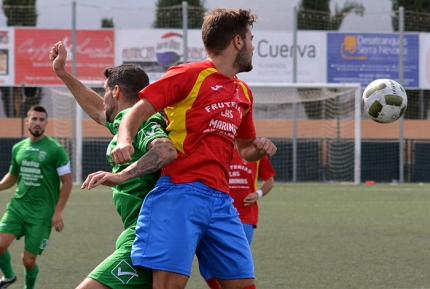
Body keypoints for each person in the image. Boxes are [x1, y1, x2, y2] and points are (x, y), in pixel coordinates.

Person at [87, 8, 278, 289]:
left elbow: (246, 149)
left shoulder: (244, 93)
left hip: (222, 201)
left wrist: (259, 147)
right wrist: (126, 140)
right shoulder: (189, 74)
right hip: (179, 194)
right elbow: (133, 113)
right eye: (250, 38)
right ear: (237, 41)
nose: (252, 46)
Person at [49, 41, 177, 289]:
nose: (103, 95)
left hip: (149, 234)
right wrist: (62, 72)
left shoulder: (146, 119)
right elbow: (98, 110)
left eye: (104, 89)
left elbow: (166, 150)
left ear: (116, 91)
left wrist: (121, 176)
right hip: (139, 232)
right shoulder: (124, 120)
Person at [0, 105, 73, 289]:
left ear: (46, 123)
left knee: (28, 260)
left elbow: (68, 182)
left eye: (41, 120)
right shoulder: (18, 147)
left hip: (42, 214)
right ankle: (8, 277)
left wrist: (58, 212)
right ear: (27, 121)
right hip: (18, 207)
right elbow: (13, 176)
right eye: (34, 119)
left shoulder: (55, 150)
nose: (37, 123)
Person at [229, 148, 275, 245]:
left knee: (240, 255)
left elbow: (269, 181)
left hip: (246, 215)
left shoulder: (256, 154)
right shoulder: (221, 151)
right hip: (220, 214)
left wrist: (258, 194)